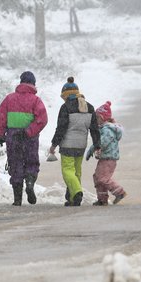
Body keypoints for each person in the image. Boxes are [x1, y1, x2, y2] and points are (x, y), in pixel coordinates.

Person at [0, 71, 48, 206]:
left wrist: (1, 135)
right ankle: (29, 183)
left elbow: (0, 118)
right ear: (33, 84)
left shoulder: (9, 99)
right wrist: (29, 131)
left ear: (21, 82)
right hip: (30, 138)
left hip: (13, 137)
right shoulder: (36, 101)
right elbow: (42, 120)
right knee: (31, 163)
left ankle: (17, 199)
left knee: (16, 165)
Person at [49, 77, 100, 206]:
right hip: (81, 145)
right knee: (77, 171)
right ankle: (73, 199)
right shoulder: (89, 107)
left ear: (65, 95)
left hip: (67, 144)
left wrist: (54, 144)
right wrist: (97, 145)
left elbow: (61, 128)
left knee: (67, 170)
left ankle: (77, 192)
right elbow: (94, 129)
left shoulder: (66, 107)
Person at [86, 101, 127, 206]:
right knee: (97, 177)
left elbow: (102, 142)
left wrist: (92, 148)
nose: (96, 120)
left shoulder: (108, 130)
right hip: (105, 158)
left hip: (109, 159)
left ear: (103, 118)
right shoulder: (104, 129)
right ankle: (102, 199)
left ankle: (119, 192)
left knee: (103, 178)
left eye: (97, 118)